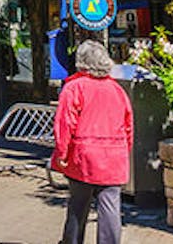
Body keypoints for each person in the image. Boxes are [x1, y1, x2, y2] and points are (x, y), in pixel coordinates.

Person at [53, 40, 133, 244]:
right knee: (110, 208)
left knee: (78, 205)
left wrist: (62, 153)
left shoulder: (74, 88)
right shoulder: (118, 90)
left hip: (84, 156)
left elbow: (65, 124)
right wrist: (125, 151)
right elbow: (128, 126)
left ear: (81, 62)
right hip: (115, 156)